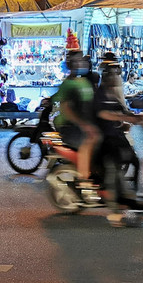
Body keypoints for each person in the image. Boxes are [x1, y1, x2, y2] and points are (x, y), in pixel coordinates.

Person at [93, 60, 143, 226]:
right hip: (105, 139)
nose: (117, 78)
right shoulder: (100, 94)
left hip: (118, 136)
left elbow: (123, 110)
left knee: (137, 161)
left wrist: (139, 117)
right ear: (106, 77)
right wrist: (122, 117)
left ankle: (135, 195)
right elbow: (103, 114)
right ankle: (115, 210)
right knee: (114, 171)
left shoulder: (113, 94)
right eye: (114, 75)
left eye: (117, 75)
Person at [53, 51, 101, 187]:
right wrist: (85, 125)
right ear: (71, 64)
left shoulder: (85, 82)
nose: (81, 63)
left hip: (83, 123)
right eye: (77, 61)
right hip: (70, 126)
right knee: (91, 140)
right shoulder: (68, 84)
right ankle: (83, 180)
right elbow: (66, 109)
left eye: (82, 60)